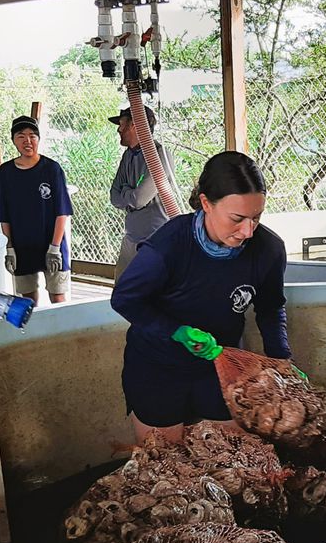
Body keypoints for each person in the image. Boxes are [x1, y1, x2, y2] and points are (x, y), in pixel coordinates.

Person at [110, 151, 291, 444]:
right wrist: (176, 331)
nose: (247, 231)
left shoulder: (268, 249)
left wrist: (282, 363)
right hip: (158, 366)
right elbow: (125, 299)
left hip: (223, 363)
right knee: (163, 463)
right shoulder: (168, 247)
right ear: (206, 203)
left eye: (256, 218)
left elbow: (270, 308)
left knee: (232, 457)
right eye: (237, 218)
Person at [0, 115, 73, 305]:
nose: (27, 141)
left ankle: (61, 334)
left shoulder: (52, 169)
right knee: (28, 298)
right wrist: (10, 246)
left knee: (58, 295)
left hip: (51, 243)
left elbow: (62, 211)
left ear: (38, 139)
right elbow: (4, 215)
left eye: (32, 136)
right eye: (21, 136)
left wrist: (55, 247)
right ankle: (34, 334)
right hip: (22, 246)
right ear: (14, 140)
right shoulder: (5, 172)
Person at [109, 105, 177, 278]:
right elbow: (113, 196)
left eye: (122, 124)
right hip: (131, 236)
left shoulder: (160, 155)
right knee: (121, 288)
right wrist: (129, 194)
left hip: (154, 239)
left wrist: (126, 192)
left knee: (148, 293)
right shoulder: (128, 155)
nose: (119, 129)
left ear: (135, 125)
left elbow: (140, 199)